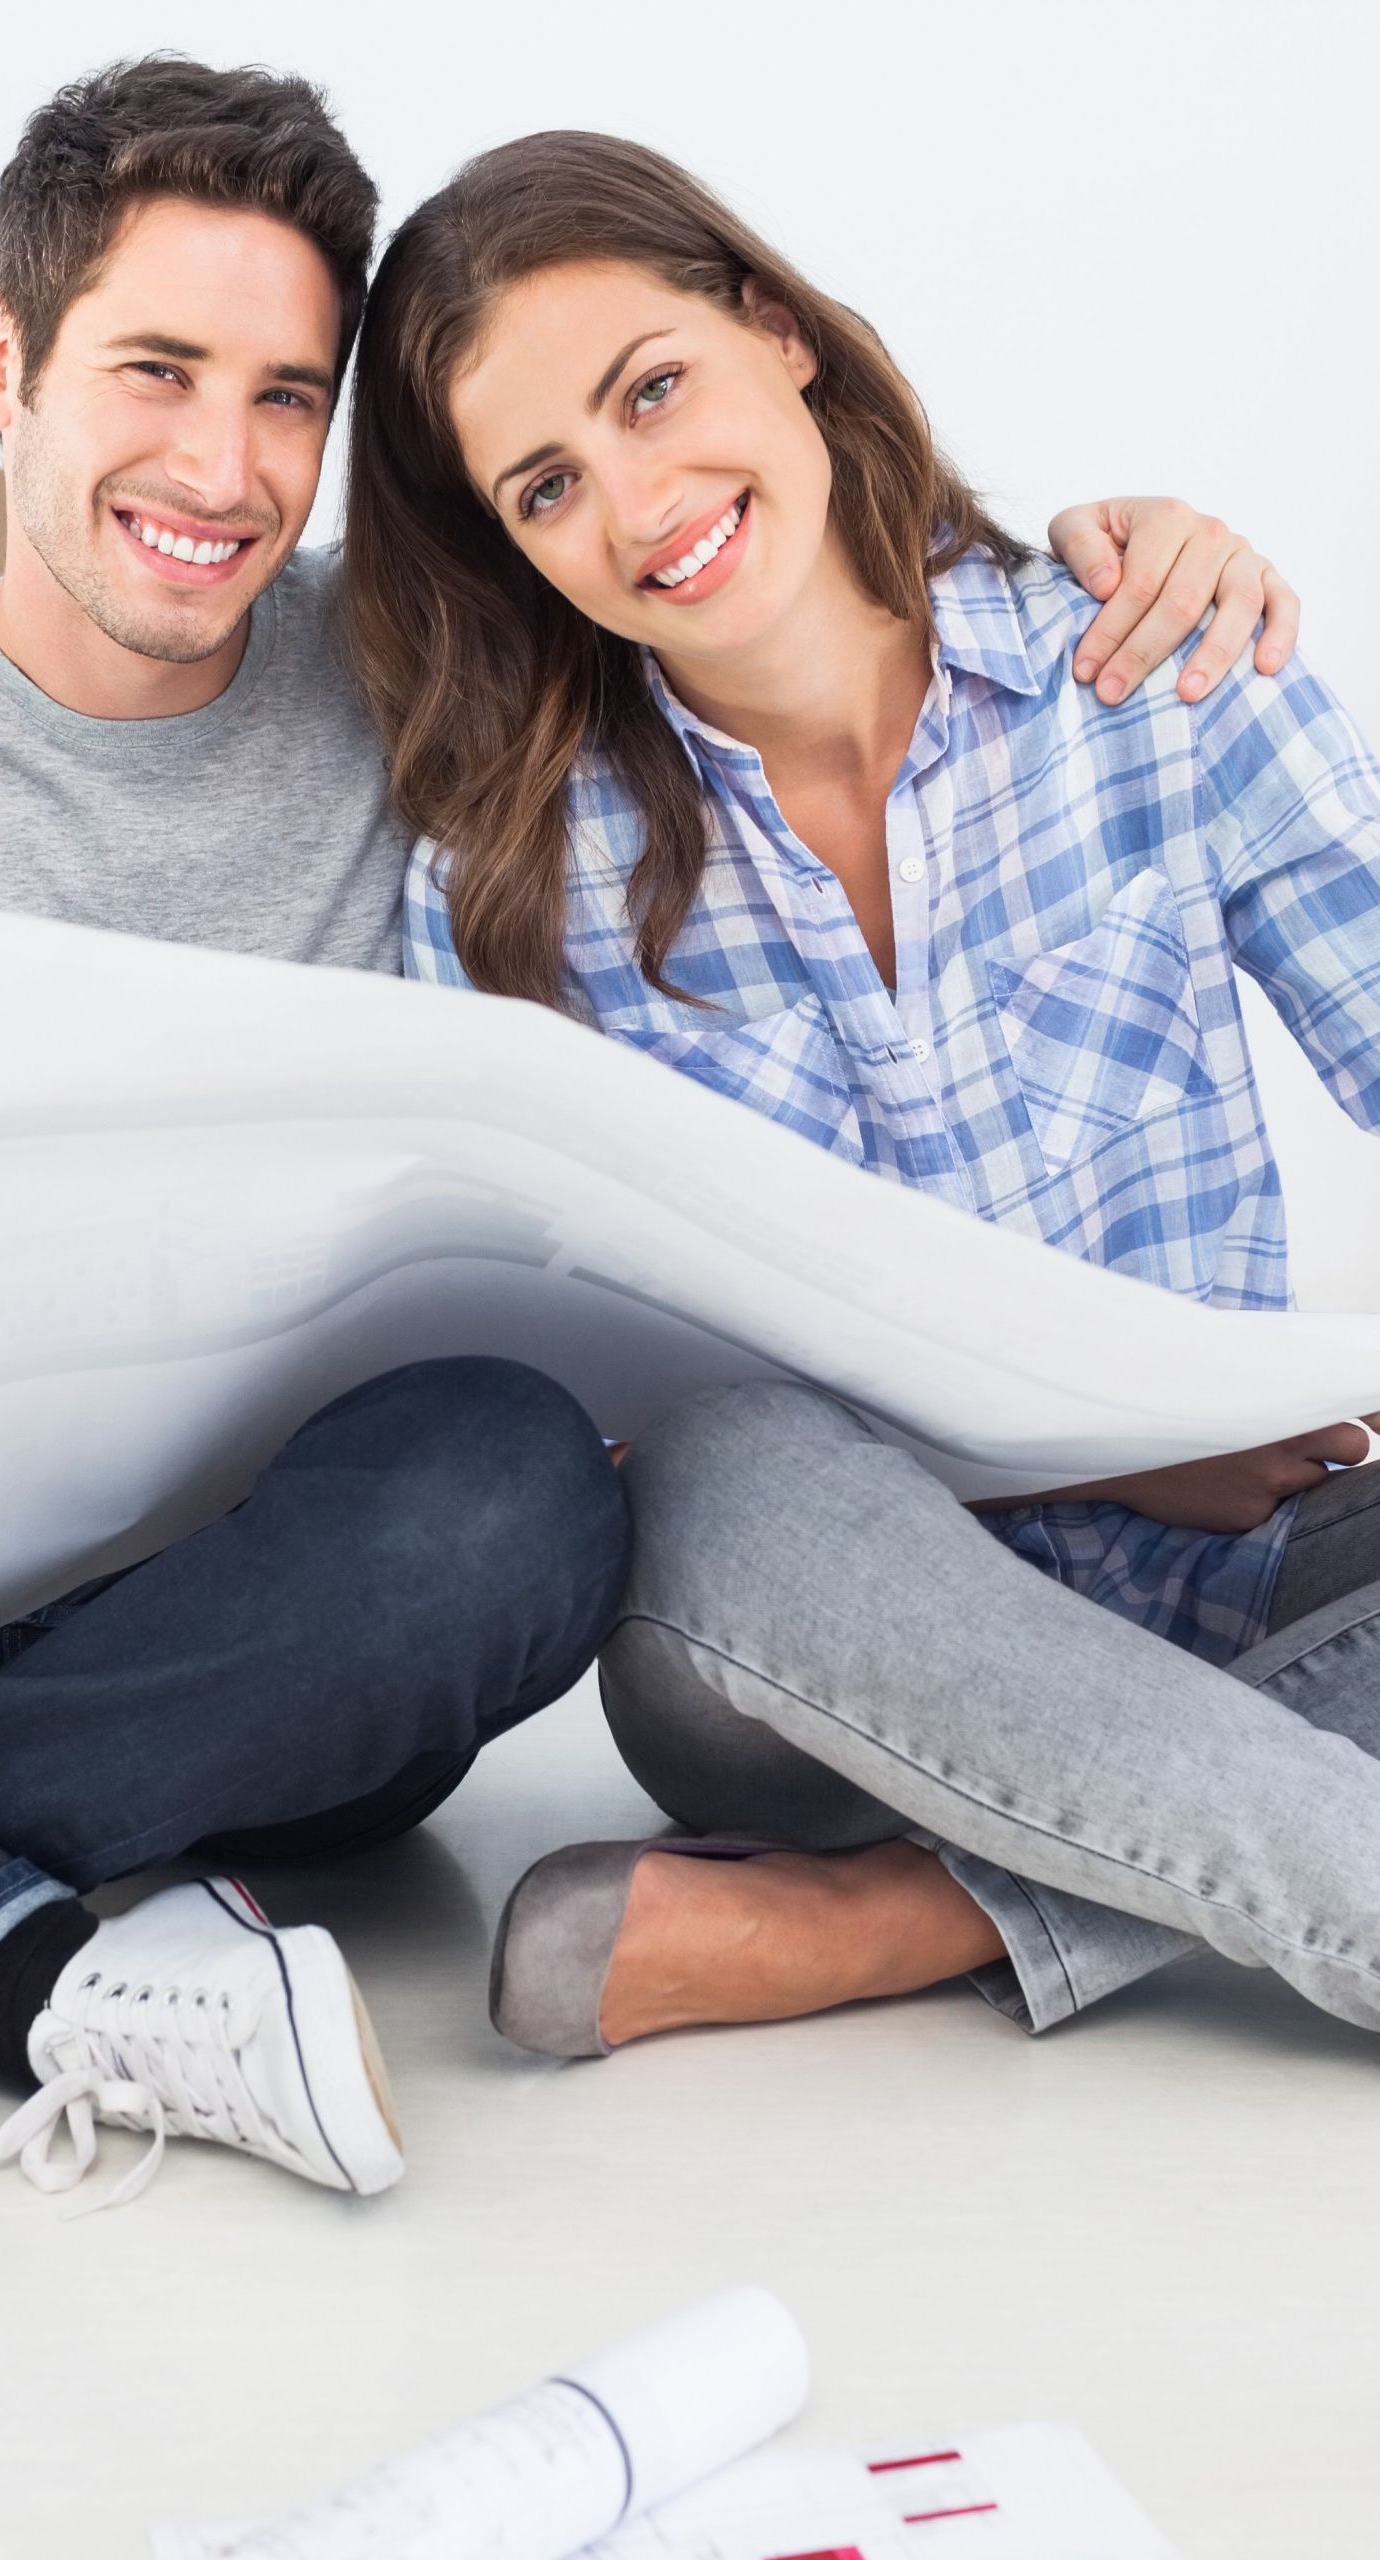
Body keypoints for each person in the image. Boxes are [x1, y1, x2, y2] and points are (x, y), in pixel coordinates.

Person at [0, 60, 1293, 2191]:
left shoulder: (439, 660)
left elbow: (734, 569)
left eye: (285, 399)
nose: (220, 468)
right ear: (3, 360)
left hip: (317, 1595)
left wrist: (1122, 543)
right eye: (156, 371)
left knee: (511, 1485)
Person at [344, 129, 1380, 2067]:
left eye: (653, 389)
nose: (638, 505)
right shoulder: (505, 887)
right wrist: (1087, 1458)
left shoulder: (1153, 672)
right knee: (728, 1464)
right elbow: (586, 1437)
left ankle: (914, 1916)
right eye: (546, 485)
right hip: (810, 1677)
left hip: (1256, 1581)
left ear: (779, 331)